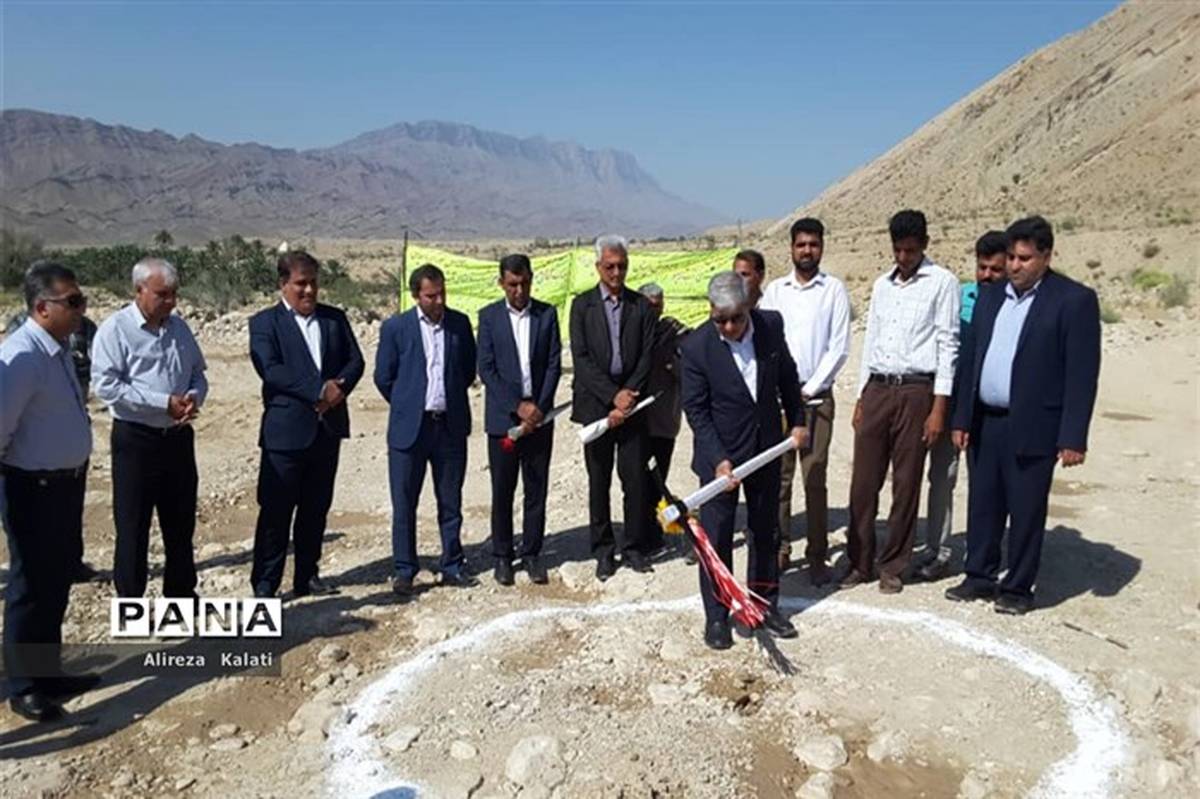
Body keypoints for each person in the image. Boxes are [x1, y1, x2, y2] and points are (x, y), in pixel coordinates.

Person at [945, 216, 1100, 614]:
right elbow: (972, 359)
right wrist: (961, 418)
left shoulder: (1073, 301)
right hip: (985, 421)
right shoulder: (992, 296)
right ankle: (979, 576)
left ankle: (1017, 588)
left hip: (1034, 424)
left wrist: (1073, 437)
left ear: (1046, 256)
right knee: (983, 503)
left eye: (1024, 259)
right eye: (1012, 257)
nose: (1015, 266)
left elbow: (1082, 374)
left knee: (1026, 508)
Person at [680, 272, 807, 649]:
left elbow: (788, 377)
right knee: (717, 536)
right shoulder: (696, 347)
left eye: (736, 317)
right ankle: (717, 616)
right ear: (711, 311)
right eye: (720, 319)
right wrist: (719, 460)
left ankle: (765, 605)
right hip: (720, 457)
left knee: (765, 531)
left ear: (749, 305)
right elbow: (696, 410)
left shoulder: (770, 326)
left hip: (765, 449)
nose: (730, 327)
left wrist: (798, 421)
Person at [1, 262, 99, 722]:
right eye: (73, 301)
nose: (82, 309)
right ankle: (24, 686)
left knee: (56, 581)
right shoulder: (21, 356)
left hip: (64, 484)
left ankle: (48, 672)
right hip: (32, 488)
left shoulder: (56, 348)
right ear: (42, 307)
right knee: (30, 587)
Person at [844, 210, 959, 594]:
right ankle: (859, 561)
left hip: (916, 391)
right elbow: (871, 340)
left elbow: (947, 344)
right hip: (878, 388)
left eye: (910, 250)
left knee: (906, 483)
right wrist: (862, 397)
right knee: (863, 483)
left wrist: (938, 407)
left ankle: (893, 565)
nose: (903, 257)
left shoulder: (942, 283)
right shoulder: (882, 285)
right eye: (897, 250)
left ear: (924, 244)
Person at [248, 251, 364, 599]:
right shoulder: (264, 324)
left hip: (326, 430)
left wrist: (339, 388)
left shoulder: (334, 319)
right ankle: (266, 584)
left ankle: (307, 575)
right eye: (301, 283)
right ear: (283, 284)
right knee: (276, 512)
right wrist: (317, 389)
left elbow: (355, 360)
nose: (309, 290)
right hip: (285, 435)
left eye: (314, 282)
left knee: (315, 509)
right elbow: (271, 369)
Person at [91, 258, 208, 599]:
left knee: (181, 524)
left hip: (177, 438)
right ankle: (131, 604)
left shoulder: (179, 328)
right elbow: (107, 386)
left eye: (174, 294)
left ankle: (181, 597)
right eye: (162, 294)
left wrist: (194, 397)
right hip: (136, 441)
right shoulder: (115, 330)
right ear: (139, 290)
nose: (171, 301)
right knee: (133, 527)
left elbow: (198, 373)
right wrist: (162, 403)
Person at [376, 263, 478, 595]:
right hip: (410, 430)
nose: (438, 301)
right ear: (416, 295)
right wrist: (407, 403)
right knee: (405, 502)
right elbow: (384, 376)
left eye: (442, 293)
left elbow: (466, 370)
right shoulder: (396, 328)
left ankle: (452, 564)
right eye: (431, 296)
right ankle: (405, 569)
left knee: (450, 501)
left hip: (449, 426)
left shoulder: (459, 324)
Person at [760, 219, 852, 585]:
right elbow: (764, 339)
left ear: (822, 247)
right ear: (791, 248)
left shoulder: (833, 290)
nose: (807, 251)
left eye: (813, 244)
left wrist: (809, 389)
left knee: (814, 477)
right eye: (801, 245)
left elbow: (839, 348)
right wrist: (780, 389)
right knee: (779, 479)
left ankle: (816, 554)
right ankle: (781, 548)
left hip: (816, 399)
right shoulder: (775, 291)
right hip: (780, 399)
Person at [916, 230, 1008, 581]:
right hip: (951, 402)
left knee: (990, 484)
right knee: (943, 477)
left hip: (991, 407)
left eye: (995, 269)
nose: (987, 275)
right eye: (982, 267)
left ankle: (986, 553)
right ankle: (938, 551)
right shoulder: (959, 296)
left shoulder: (1016, 305)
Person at [569, 235, 658, 580]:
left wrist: (627, 396)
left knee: (634, 479)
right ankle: (603, 550)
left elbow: (646, 355)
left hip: (633, 405)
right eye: (610, 267)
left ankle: (633, 546)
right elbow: (581, 359)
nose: (616, 273)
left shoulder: (640, 307)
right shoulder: (582, 306)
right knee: (599, 480)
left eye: (621, 266)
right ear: (598, 267)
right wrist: (612, 397)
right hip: (596, 407)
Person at [477, 254, 562, 586]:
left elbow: (553, 363)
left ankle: (532, 553)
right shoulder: (489, 317)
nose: (519, 290)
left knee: (536, 488)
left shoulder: (546, 314)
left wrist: (538, 408)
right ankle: (502, 555)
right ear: (502, 283)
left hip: (540, 418)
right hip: (504, 420)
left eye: (524, 283)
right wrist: (517, 407)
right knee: (503, 489)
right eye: (512, 284)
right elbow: (487, 369)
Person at [6, 308, 102, 583]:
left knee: (71, 506)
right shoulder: (21, 332)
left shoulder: (85, 328)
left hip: (73, 416)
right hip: (35, 433)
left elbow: (99, 365)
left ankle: (71, 563)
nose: (78, 307)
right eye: (71, 300)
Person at [637, 282, 689, 557]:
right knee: (637, 481)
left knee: (658, 479)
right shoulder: (632, 331)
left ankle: (654, 533)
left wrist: (671, 363)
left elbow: (688, 370)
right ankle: (637, 534)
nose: (654, 310)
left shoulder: (675, 333)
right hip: (636, 422)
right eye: (649, 305)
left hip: (664, 420)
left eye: (658, 305)